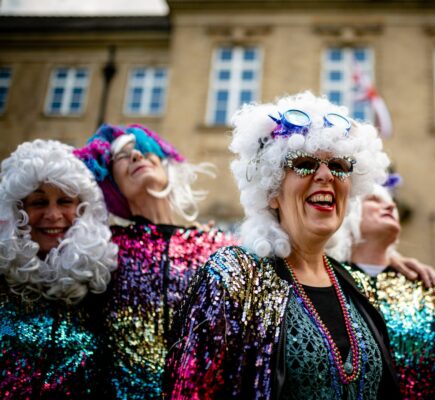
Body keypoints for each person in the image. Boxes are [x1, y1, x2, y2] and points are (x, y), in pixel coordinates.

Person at [166, 92, 399, 399]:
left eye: (340, 165)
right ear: (272, 191)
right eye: (304, 163)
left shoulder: (357, 287)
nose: (326, 175)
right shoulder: (233, 277)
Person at [75, 124, 237, 399]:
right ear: (112, 183)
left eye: (143, 149)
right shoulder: (103, 250)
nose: (137, 156)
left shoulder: (219, 247)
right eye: (122, 156)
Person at [0, 139, 117, 398]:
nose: (53, 215)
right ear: (16, 211)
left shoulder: (105, 279)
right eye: (39, 203)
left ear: (83, 209)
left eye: (64, 201)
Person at [327, 183, 435, 399]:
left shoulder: (426, 285)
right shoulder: (327, 282)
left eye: (391, 202)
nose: (389, 205)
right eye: (374, 200)